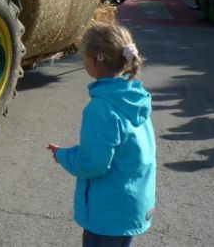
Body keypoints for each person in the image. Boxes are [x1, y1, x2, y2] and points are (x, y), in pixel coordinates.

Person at [47, 21, 155, 246]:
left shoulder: (101, 108)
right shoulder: (134, 96)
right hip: (130, 203)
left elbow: (93, 164)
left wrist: (63, 156)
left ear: (97, 59)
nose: (82, 60)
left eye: (83, 55)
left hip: (109, 211)